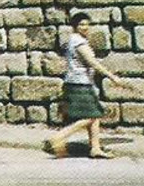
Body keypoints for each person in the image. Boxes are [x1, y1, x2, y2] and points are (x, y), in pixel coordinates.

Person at [45, 12, 132, 159]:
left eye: (86, 24)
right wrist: (112, 77)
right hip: (80, 84)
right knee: (91, 116)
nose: (85, 27)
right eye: (81, 24)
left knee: (95, 115)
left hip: (80, 82)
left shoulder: (75, 40)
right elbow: (92, 62)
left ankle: (95, 148)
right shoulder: (79, 42)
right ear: (74, 26)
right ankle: (58, 137)